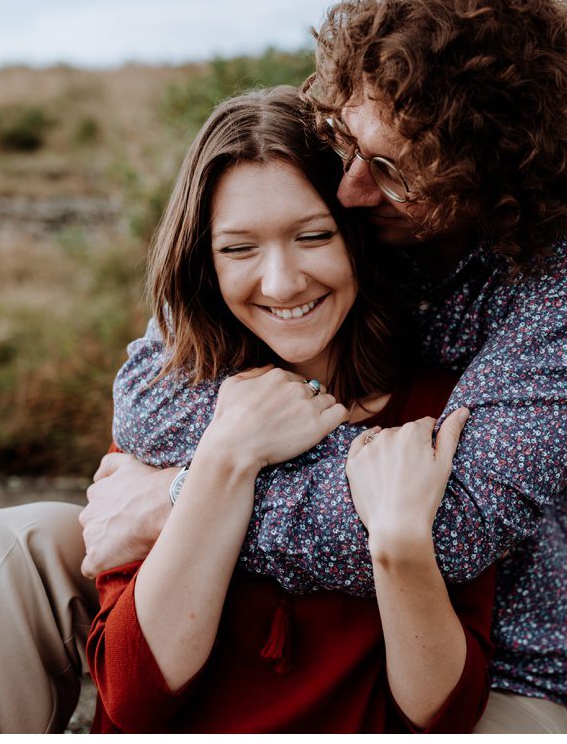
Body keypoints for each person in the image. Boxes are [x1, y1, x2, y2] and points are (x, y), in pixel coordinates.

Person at [0, 0, 567, 734]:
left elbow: (447, 524)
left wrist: (177, 500)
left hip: (478, 633)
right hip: (257, 553)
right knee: (7, 548)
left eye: (388, 172)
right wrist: (216, 471)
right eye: (349, 146)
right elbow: (154, 399)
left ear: (482, 188)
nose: (350, 189)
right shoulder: (326, 172)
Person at [88, 86, 493, 733]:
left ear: (360, 237)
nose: (281, 282)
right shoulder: (174, 403)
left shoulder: (438, 410)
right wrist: (224, 456)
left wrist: (400, 543)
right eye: (239, 249)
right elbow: (132, 698)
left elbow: (443, 715)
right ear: (204, 263)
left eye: (313, 236)